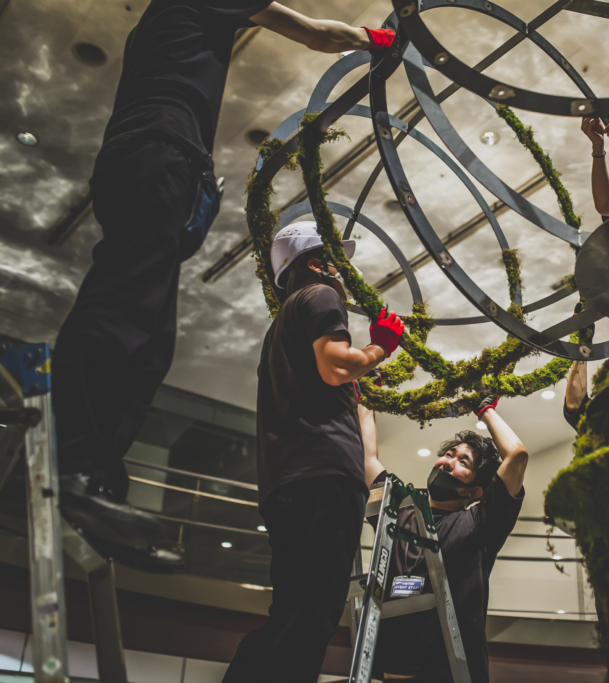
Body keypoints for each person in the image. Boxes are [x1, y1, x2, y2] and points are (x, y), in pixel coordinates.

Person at [52, 0, 397, 572]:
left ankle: (98, 482)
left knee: (151, 335)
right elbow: (315, 33)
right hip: (159, 151)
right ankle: (77, 466)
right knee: (125, 305)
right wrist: (377, 38)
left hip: (160, 157)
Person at [222, 222, 404, 683]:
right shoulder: (321, 295)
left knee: (292, 610)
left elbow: (327, 377)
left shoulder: (280, 327)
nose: (345, 269)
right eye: (335, 258)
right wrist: (378, 347)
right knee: (312, 616)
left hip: (291, 481)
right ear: (315, 262)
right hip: (323, 476)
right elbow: (336, 365)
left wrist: (357, 378)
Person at [361, 394, 527, 682]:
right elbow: (366, 458)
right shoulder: (398, 513)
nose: (448, 463)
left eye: (463, 461)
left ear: (476, 491)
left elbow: (517, 455)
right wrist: (368, 396)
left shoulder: (479, 523)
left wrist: (484, 408)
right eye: (449, 454)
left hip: (451, 672)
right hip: (391, 668)